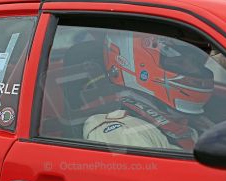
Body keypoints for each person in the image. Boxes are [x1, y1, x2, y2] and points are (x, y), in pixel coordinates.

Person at [82, 31, 215, 151]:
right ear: (138, 64)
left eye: (195, 62)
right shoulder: (120, 131)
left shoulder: (188, 119)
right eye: (179, 61)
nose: (196, 71)